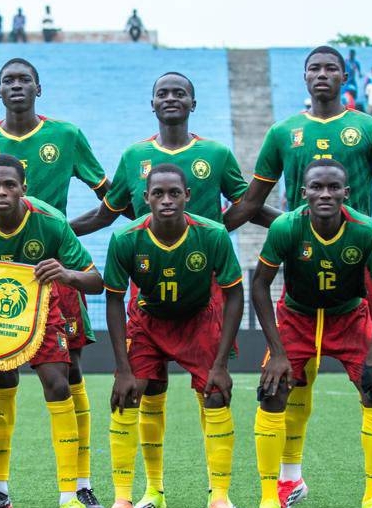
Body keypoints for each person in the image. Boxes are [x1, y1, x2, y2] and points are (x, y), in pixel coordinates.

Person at [69, 72, 275, 508]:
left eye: (180, 92)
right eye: (162, 93)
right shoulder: (134, 156)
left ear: (193, 103)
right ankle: (150, 491)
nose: (171, 98)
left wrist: (280, 225)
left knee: (213, 391)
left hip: (203, 292)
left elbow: (248, 204)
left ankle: (219, 495)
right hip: (149, 294)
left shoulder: (215, 154)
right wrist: (57, 232)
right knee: (144, 392)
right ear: (152, 103)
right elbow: (107, 214)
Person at [224, 46, 372, 508]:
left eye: (331, 68)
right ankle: (289, 480)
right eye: (314, 68)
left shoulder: (370, 129)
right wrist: (203, 234)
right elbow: (251, 203)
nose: (322, 74)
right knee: (290, 380)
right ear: (304, 77)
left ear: (344, 76)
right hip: (304, 269)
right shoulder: (283, 133)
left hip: (360, 267)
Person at [0, 58, 110, 508]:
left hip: (52, 273)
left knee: (69, 375)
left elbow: (112, 202)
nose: (16, 86)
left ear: (39, 88)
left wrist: (62, 233)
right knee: (1, 374)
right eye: (8, 80)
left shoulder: (67, 135)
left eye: (24, 79)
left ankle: (80, 483)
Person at [251, 158, 372, 508]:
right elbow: (259, 285)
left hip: (349, 319)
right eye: (317, 187)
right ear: (303, 192)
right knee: (271, 393)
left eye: (334, 187)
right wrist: (278, 352)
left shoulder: (366, 230)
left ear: (347, 192)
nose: (325, 194)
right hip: (297, 319)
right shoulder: (286, 227)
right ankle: (272, 496)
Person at [103, 164, 244, 508]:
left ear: (187, 196)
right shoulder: (125, 238)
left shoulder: (212, 234)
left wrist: (221, 364)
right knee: (129, 395)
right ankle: (136, 495)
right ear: (146, 198)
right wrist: (122, 369)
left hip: (199, 321)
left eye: (174, 193)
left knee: (216, 395)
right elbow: (113, 300)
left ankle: (219, 496)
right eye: (158, 193)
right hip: (148, 322)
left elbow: (235, 295)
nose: (166, 200)